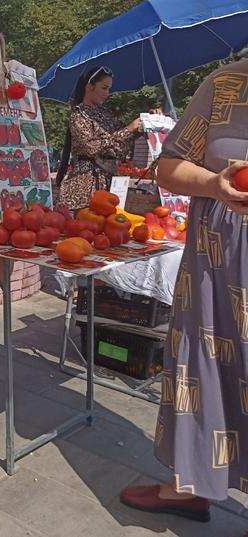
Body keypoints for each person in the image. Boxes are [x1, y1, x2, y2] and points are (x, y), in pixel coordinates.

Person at [119, 59, 248, 529]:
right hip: (213, 267)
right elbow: (168, 167)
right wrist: (214, 183)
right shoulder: (226, 83)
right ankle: (191, 485)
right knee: (201, 367)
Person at [55, 66, 156, 211]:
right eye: (104, 88)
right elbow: (91, 147)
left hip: (109, 184)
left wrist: (148, 121)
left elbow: (123, 143)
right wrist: (127, 130)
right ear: (90, 87)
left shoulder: (107, 115)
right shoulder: (79, 115)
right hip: (84, 187)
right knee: (85, 223)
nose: (107, 93)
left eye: (109, 89)